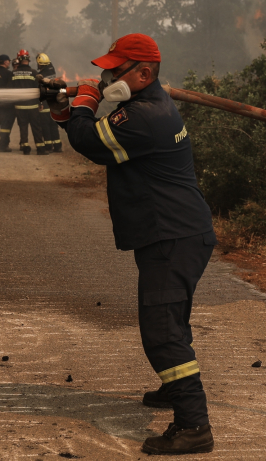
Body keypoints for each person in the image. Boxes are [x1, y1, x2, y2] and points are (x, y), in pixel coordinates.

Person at [47, 34, 216, 455]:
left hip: (171, 235)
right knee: (170, 316)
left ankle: (194, 425)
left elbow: (91, 142)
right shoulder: (144, 106)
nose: (104, 77)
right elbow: (93, 134)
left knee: (161, 331)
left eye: (113, 71)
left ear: (143, 74)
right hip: (179, 232)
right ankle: (174, 387)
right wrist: (64, 109)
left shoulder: (145, 115)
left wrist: (85, 100)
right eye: (104, 70)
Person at [11, 49, 46, 155]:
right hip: (33, 105)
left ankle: (25, 147)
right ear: (28, 60)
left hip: (19, 106)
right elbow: (39, 89)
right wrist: (41, 103)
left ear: (19, 60)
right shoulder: (34, 73)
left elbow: (10, 89)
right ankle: (40, 149)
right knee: (36, 127)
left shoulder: (14, 73)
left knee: (23, 126)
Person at [35, 53, 63, 153]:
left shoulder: (41, 76)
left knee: (45, 125)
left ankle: (48, 146)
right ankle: (57, 146)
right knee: (53, 125)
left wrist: (40, 103)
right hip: (54, 102)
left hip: (46, 102)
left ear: (40, 64)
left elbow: (40, 89)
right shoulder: (52, 70)